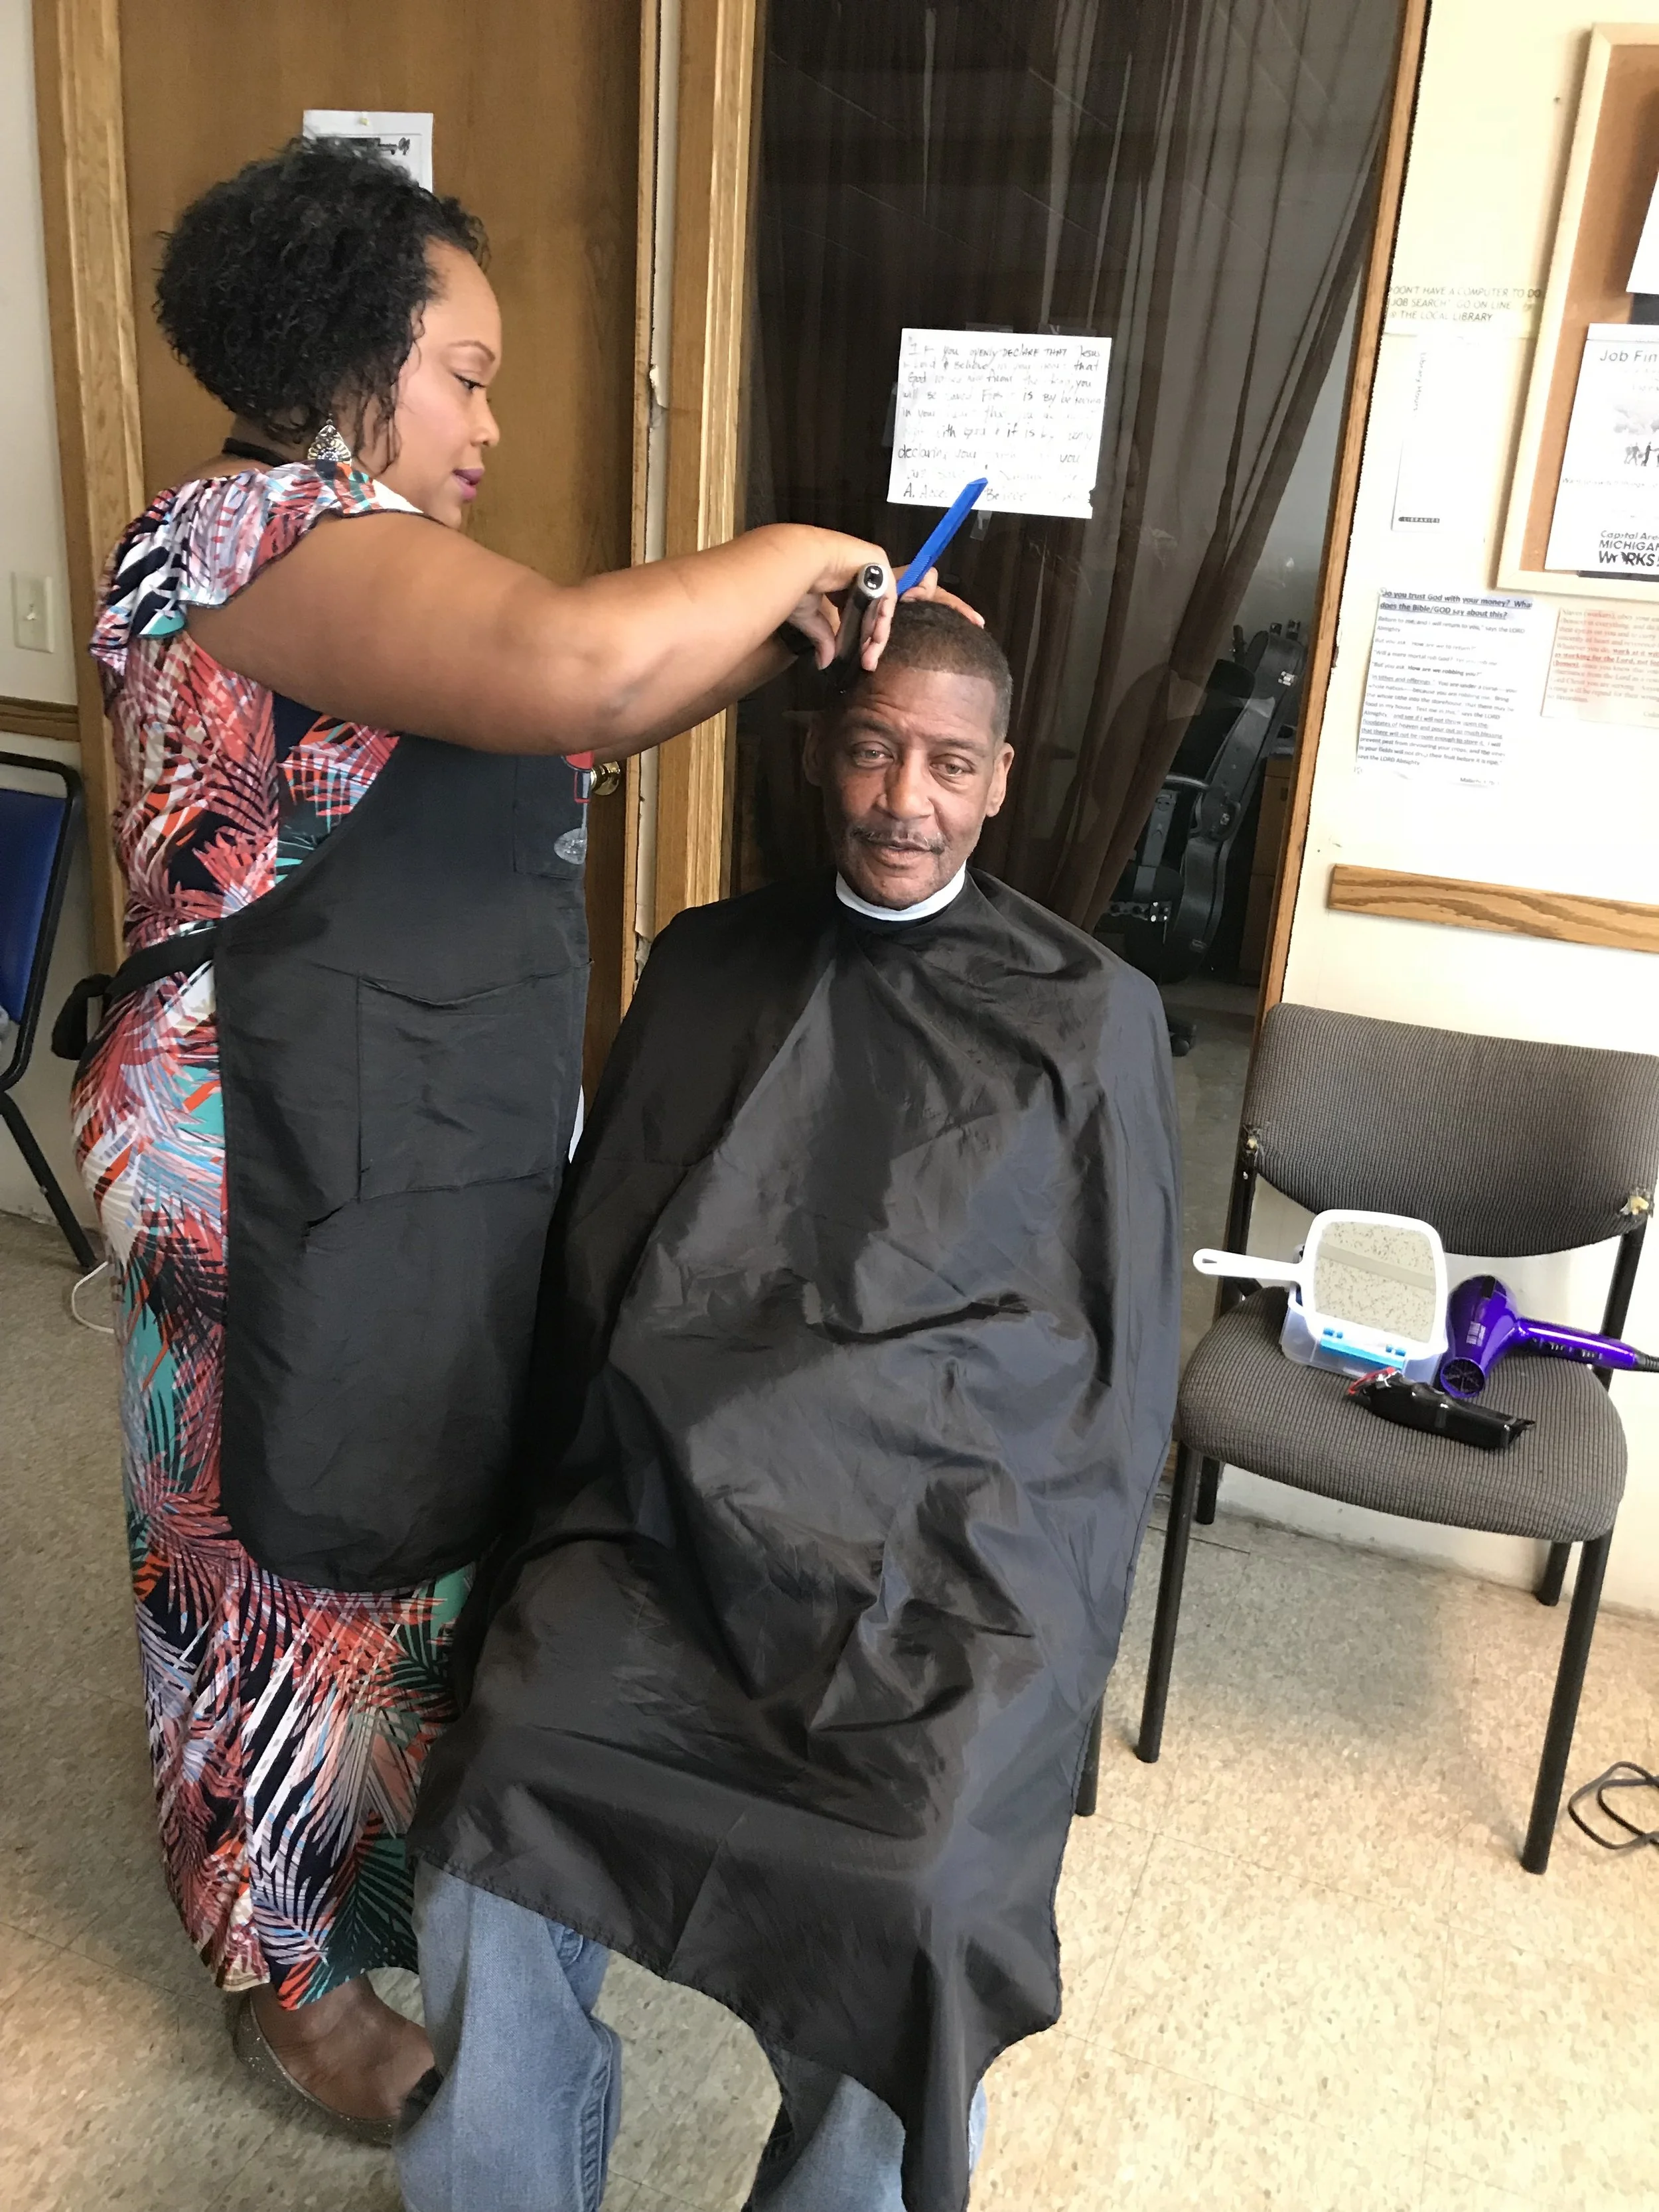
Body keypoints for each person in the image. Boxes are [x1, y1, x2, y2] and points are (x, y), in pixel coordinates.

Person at [68, 136, 955, 2134]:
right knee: (276, 1555)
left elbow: (581, 709)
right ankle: (276, 1967)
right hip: (268, 1145)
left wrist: (766, 649)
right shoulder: (249, 533)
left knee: (404, 1523)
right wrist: (799, 547)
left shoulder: (367, 566)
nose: (490, 419)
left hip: (392, 1118)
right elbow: (572, 659)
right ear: (352, 360)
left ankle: (388, 1877)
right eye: (465, 370)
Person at [405, 601, 1183, 2212]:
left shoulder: (1090, 1014)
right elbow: (600, 1273)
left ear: (999, 781)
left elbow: (1110, 1374)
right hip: (664, 1527)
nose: (907, 797)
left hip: (936, 1562)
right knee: (496, 1791)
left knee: (921, 1886)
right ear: (821, 754)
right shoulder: (705, 967)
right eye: (875, 747)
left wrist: (1050, 1631)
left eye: (948, 763)